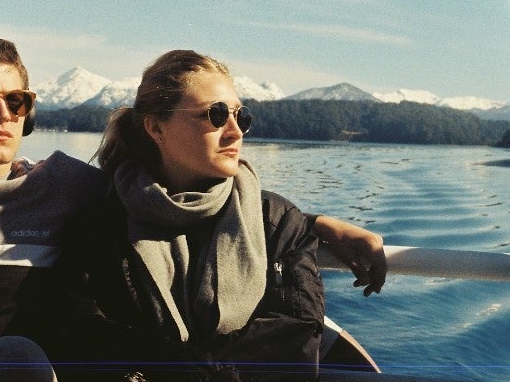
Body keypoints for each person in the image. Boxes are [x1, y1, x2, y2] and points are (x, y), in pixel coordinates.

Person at [0, 32, 385, 380]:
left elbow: (179, 198)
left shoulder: (67, 190)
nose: (2, 115)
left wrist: (317, 227)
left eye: (18, 102)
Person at [48, 50, 334, 381]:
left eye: (241, 116)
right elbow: (81, 329)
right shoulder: (102, 222)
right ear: (156, 128)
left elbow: (296, 333)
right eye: (215, 115)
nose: (235, 132)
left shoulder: (278, 221)